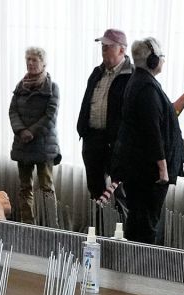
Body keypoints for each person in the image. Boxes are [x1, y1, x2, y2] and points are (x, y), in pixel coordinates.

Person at [110, 37, 184, 244]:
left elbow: (163, 116)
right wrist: (162, 168)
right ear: (152, 60)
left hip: (142, 169)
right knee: (145, 224)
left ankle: (134, 267)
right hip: (149, 172)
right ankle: (141, 269)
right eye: (161, 57)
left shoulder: (142, 82)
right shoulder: (146, 88)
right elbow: (152, 131)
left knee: (140, 221)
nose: (163, 60)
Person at [77, 29, 133, 201]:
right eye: (102, 46)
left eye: (108, 46)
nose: (103, 50)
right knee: (95, 189)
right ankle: (98, 227)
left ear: (122, 50)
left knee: (119, 192)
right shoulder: (97, 72)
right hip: (93, 139)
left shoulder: (132, 76)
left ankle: (120, 228)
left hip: (116, 143)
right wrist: (82, 129)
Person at [9, 47, 60, 225]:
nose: (30, 63)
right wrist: (21, 130)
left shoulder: (52, 86)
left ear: (43, 63)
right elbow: (13, 110)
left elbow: (50, 115)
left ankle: (52, 226)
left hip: (43, 145)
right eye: (28, 60)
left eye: (34, 60)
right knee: (25, 188)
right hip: (23, 144)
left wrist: (32, 131)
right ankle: (27, 224)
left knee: (46, 187)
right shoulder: (20, 85)